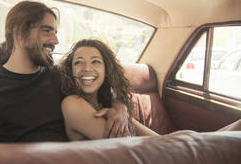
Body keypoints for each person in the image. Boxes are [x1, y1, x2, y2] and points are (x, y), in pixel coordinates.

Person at [0, 1, 131, 144]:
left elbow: (99, 86)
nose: (55, 40)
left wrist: (119, 108)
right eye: (47, 31)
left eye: (55, 32)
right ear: (19, 33)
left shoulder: (59, 77)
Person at [59, 39, 241, 140]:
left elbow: (155, 139)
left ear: (107, 71)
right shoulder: (72, 104)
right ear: (70, 70)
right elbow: (124, 149)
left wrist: (120, 105)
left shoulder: (108, 104)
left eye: (96, 62)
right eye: (78, 63)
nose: (86, 69)